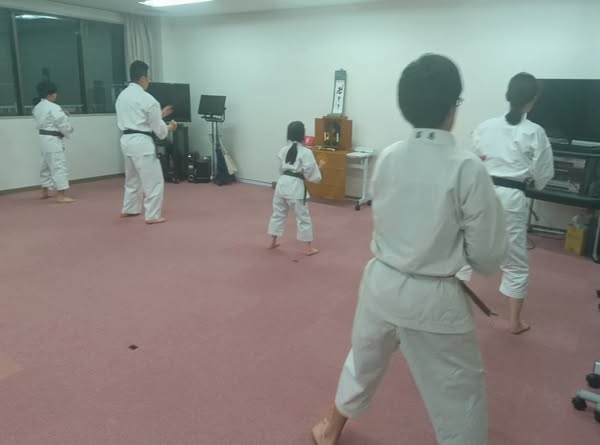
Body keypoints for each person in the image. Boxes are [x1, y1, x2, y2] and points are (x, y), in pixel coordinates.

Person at [311, 54, 508, 445]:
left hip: (381, 283)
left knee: (363, 359)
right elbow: (487, 256)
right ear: (452, 107)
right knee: (459, 394)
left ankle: (330, 428)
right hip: (434, 297)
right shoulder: (467, 167)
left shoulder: (389, 156)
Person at [471, 73, 554, 334]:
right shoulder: (535, 132)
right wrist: (536, 183)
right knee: (515, 261)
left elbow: (475, 158)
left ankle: (451, 305)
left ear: (508, 95)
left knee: (466, 247)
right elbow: (543, 172)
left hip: (481, 193)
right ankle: (515, 322)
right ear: (533, 100)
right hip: (511, 198)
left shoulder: (485, 126)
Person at [115, 60, 177, 224]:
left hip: (126, 141)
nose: (148, 80)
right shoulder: (148, 99)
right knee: (154, 181)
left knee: (132, 178)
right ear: (143, 77)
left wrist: (159, 115)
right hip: (142, 143)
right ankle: (153, 215)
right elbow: (159, 131)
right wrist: (169, 127)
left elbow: (139, 119)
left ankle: (130, 208)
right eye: (148, 77)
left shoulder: (122, 96)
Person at [267, 121, 325, 255]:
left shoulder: (283, 149)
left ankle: (272, 241)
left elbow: (281, 169)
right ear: (302, 135)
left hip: (282, 184)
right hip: (295, 187)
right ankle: (308, 248)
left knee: (278, 213)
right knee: (303, 217)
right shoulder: (306, 152)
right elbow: (312, 175)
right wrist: (321, 167)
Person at [32, 81, 74, 203]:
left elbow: (48, 119)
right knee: (58, 165)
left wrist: (62, 114)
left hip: (43, 138)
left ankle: (44, 191)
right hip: (53, 139)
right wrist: (69, 128)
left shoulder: (38, 107)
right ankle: (61, 195)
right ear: (50, 94)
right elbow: (62, 123)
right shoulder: (54, 107)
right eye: (55, 93)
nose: (56, 95)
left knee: (44, 164)